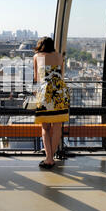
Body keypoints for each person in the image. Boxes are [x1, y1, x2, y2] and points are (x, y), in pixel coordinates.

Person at [33, 37, 70, 169]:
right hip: (60, 91)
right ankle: (51, 157)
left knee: (45, 127)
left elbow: (37, 78)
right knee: (57, 127)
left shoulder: (37, 56)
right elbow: (62, 75)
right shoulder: (60, 56)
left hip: (46, 92)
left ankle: (48, 158)